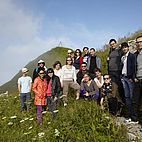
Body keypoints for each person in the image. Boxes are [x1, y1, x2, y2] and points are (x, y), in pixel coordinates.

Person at [120, 42, 135, 120]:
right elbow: (122, 67)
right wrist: (121, 77)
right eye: (123, 48)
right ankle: (129, 115)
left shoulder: (132, 56)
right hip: (124, 78)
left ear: (128, 48)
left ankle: (133, 115)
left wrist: (132, 77)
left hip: (129, 78)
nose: (124, 49)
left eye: (125, 47)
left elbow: (133, 67)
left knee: (132, 96)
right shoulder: (122, 57)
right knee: (127, 96)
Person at [107, 39, 124, 106]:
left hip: (117, 71)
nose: (112, 45)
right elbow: (110, 61)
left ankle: (123, 102)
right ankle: (117, 103)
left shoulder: (120, 51)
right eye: (111, 44)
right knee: (114, 88)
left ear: (116, 43)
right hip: (111, 72)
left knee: (120, 87)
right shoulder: (110, 51)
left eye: (113, 43)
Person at [131, 35, 142, 122]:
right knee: (135, 101)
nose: (139, 43)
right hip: (137, 80)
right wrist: (134, 77)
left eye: (141, 41)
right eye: (137, 42)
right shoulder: (135, 54)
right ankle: (135, 119)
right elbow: (133, 68)